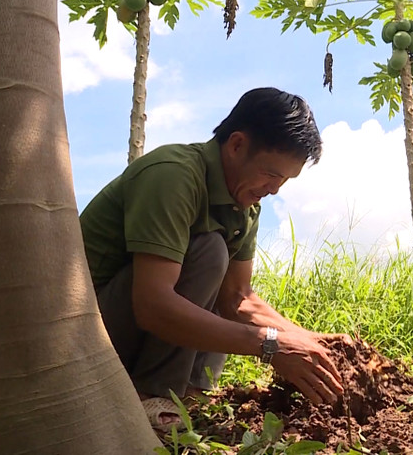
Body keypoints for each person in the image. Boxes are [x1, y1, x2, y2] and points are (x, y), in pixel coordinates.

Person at [79, 87, 351, 429]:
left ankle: (188, 397)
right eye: (271, 174)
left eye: (284, 180)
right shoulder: (173, 175)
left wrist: (308, 340)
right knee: (210, 250)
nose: (275, 189)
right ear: (237, 145)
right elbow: (152, 304)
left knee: (217, 259)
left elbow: (238, 298)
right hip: (86, 337)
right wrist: (271, 346)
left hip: (129, 334)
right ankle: (152, 395)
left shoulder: (244, 204)